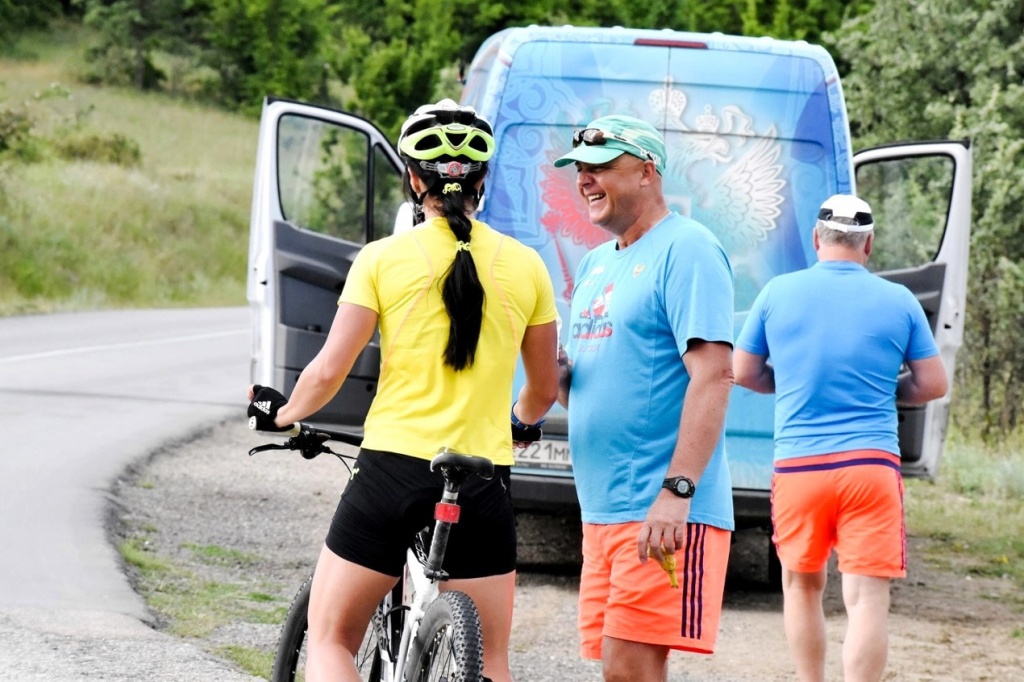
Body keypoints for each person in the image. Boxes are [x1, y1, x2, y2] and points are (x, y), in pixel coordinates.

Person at [247, 98, 559, 682]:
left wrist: (283, 414)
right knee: (490, 661)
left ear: (413, 180)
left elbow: (326, 373)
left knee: (333, 639)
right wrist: (516, 424)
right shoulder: (527, 267)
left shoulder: (381, 260)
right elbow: (542, 389)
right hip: (482, 475)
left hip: (392, 467)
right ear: (482, 183)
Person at [733, 194, 949, 682]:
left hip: (798, 468)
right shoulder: (899, 300)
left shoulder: (777, 293)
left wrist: (788, 381)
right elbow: (933, 383)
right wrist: (888, 389)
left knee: (802, 586)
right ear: (868, 244)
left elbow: (743, 371)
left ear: (817, 239)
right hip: (871, 468)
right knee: (867, 597)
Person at [552, 115, 736, 681]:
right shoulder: (596, 262)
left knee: (630, 670)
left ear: (647, 173)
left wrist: (676, 491)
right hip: (603, 509)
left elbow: (714, 375)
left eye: (602, 166)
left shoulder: (689, 249)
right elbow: (586, 385)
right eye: (580, 169)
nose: (585, 179)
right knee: (616, 670)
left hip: (661, 506)